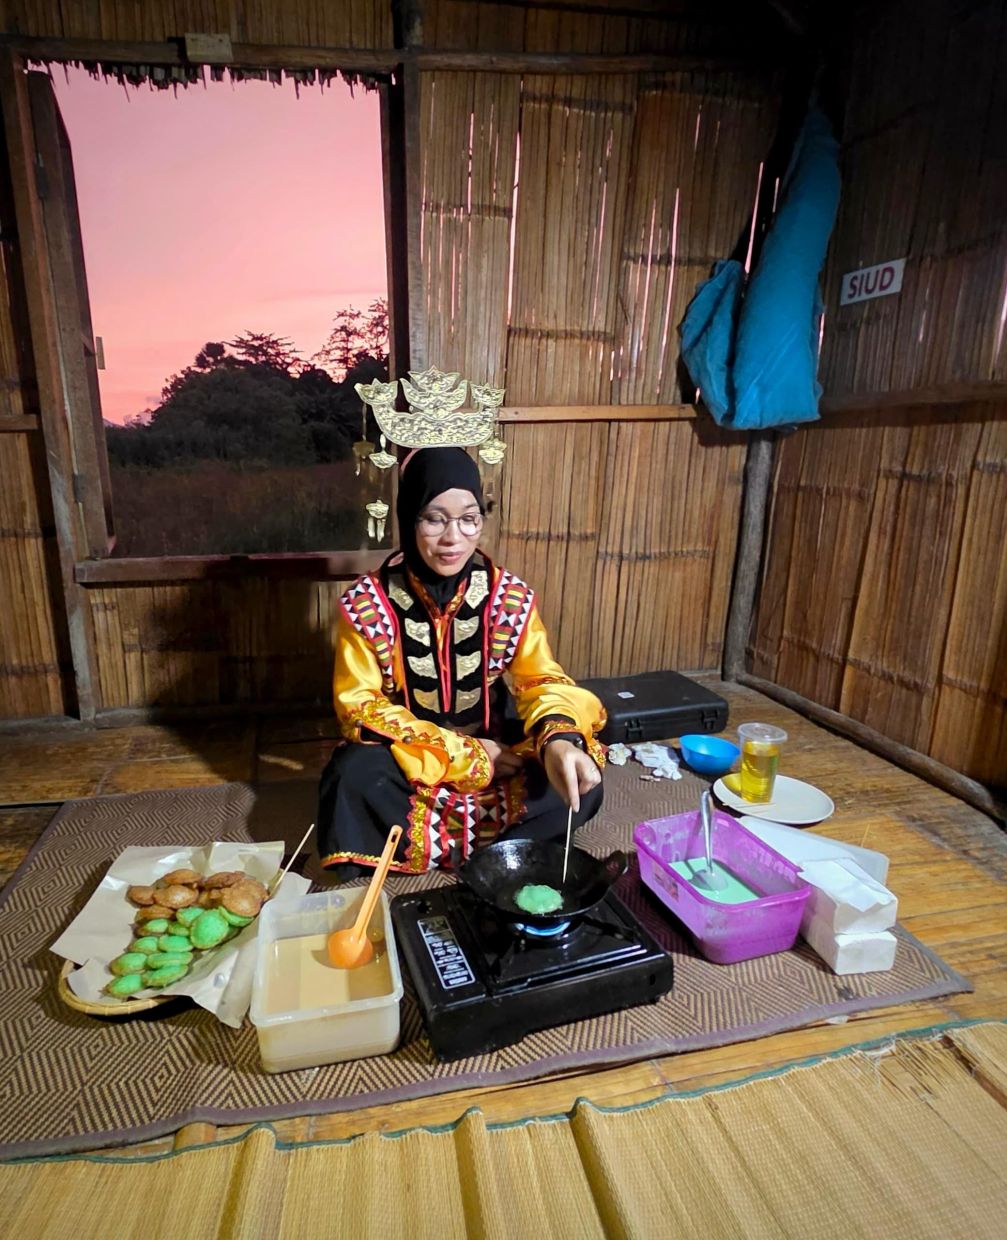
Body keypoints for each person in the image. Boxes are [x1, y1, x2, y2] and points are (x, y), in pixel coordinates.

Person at [317, 446, 606, 876]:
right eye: (434, 518)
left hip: (502, 755)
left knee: (581, 768)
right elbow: (359, 708)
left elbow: (541, 680)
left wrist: (558, 739)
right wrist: (465, 756)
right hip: (414, 760)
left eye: (469, 519)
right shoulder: (367, 604)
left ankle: (478, 852)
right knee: (352, 774)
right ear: (408, 515)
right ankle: (502, 853)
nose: (454, 538)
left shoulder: (508, 597)